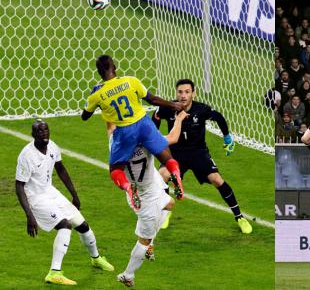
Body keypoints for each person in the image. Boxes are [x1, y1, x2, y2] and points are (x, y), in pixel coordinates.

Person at [15, 120, 114, 286]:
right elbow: (19, 186)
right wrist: (29, 215)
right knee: (65, 225)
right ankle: (54, 272)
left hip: (50, 191)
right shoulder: (26, 156)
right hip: (36, 198)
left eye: (46, 130)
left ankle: (96, 258)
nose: (44, 133)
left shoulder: (52, 146)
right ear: (33, 135)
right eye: (39, 131)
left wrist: (74, 195)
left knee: (82, 224)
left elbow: (60, 169)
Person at [81, 55, 185, 210]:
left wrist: (97, 101)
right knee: (165, 155)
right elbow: (153, 100)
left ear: (99, 72)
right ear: (114, 67)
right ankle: (175, 174)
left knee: (115, 169)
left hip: (125, 132)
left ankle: (129, 188)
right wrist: (173, 105)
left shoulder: (97, 93)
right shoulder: (131, 81)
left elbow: (85, 116)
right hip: (144, 124)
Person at [152, 79, 252, 234]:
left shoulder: (201, 109)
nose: (183, 95)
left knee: (217, 180)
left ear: (193, 93)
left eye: (187, 92)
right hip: (175, 153)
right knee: (161, 176)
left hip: (198, 152)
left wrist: (227, 137)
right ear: (176, 93)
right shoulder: (168, 107)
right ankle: (166, 212)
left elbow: (218, 117)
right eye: (180, 92)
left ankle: (239, 217)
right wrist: (154, 136)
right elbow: (156, 116)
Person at [108, 110, 187, 287]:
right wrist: (179, 119)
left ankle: (150, 241)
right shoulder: (148, 141)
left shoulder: (115, 142)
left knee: (169, 203)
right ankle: (128, 275)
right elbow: (173, 139)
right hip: (146, 195)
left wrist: (108, 106)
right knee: (144, 240)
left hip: (141, 187)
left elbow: (110, 126)